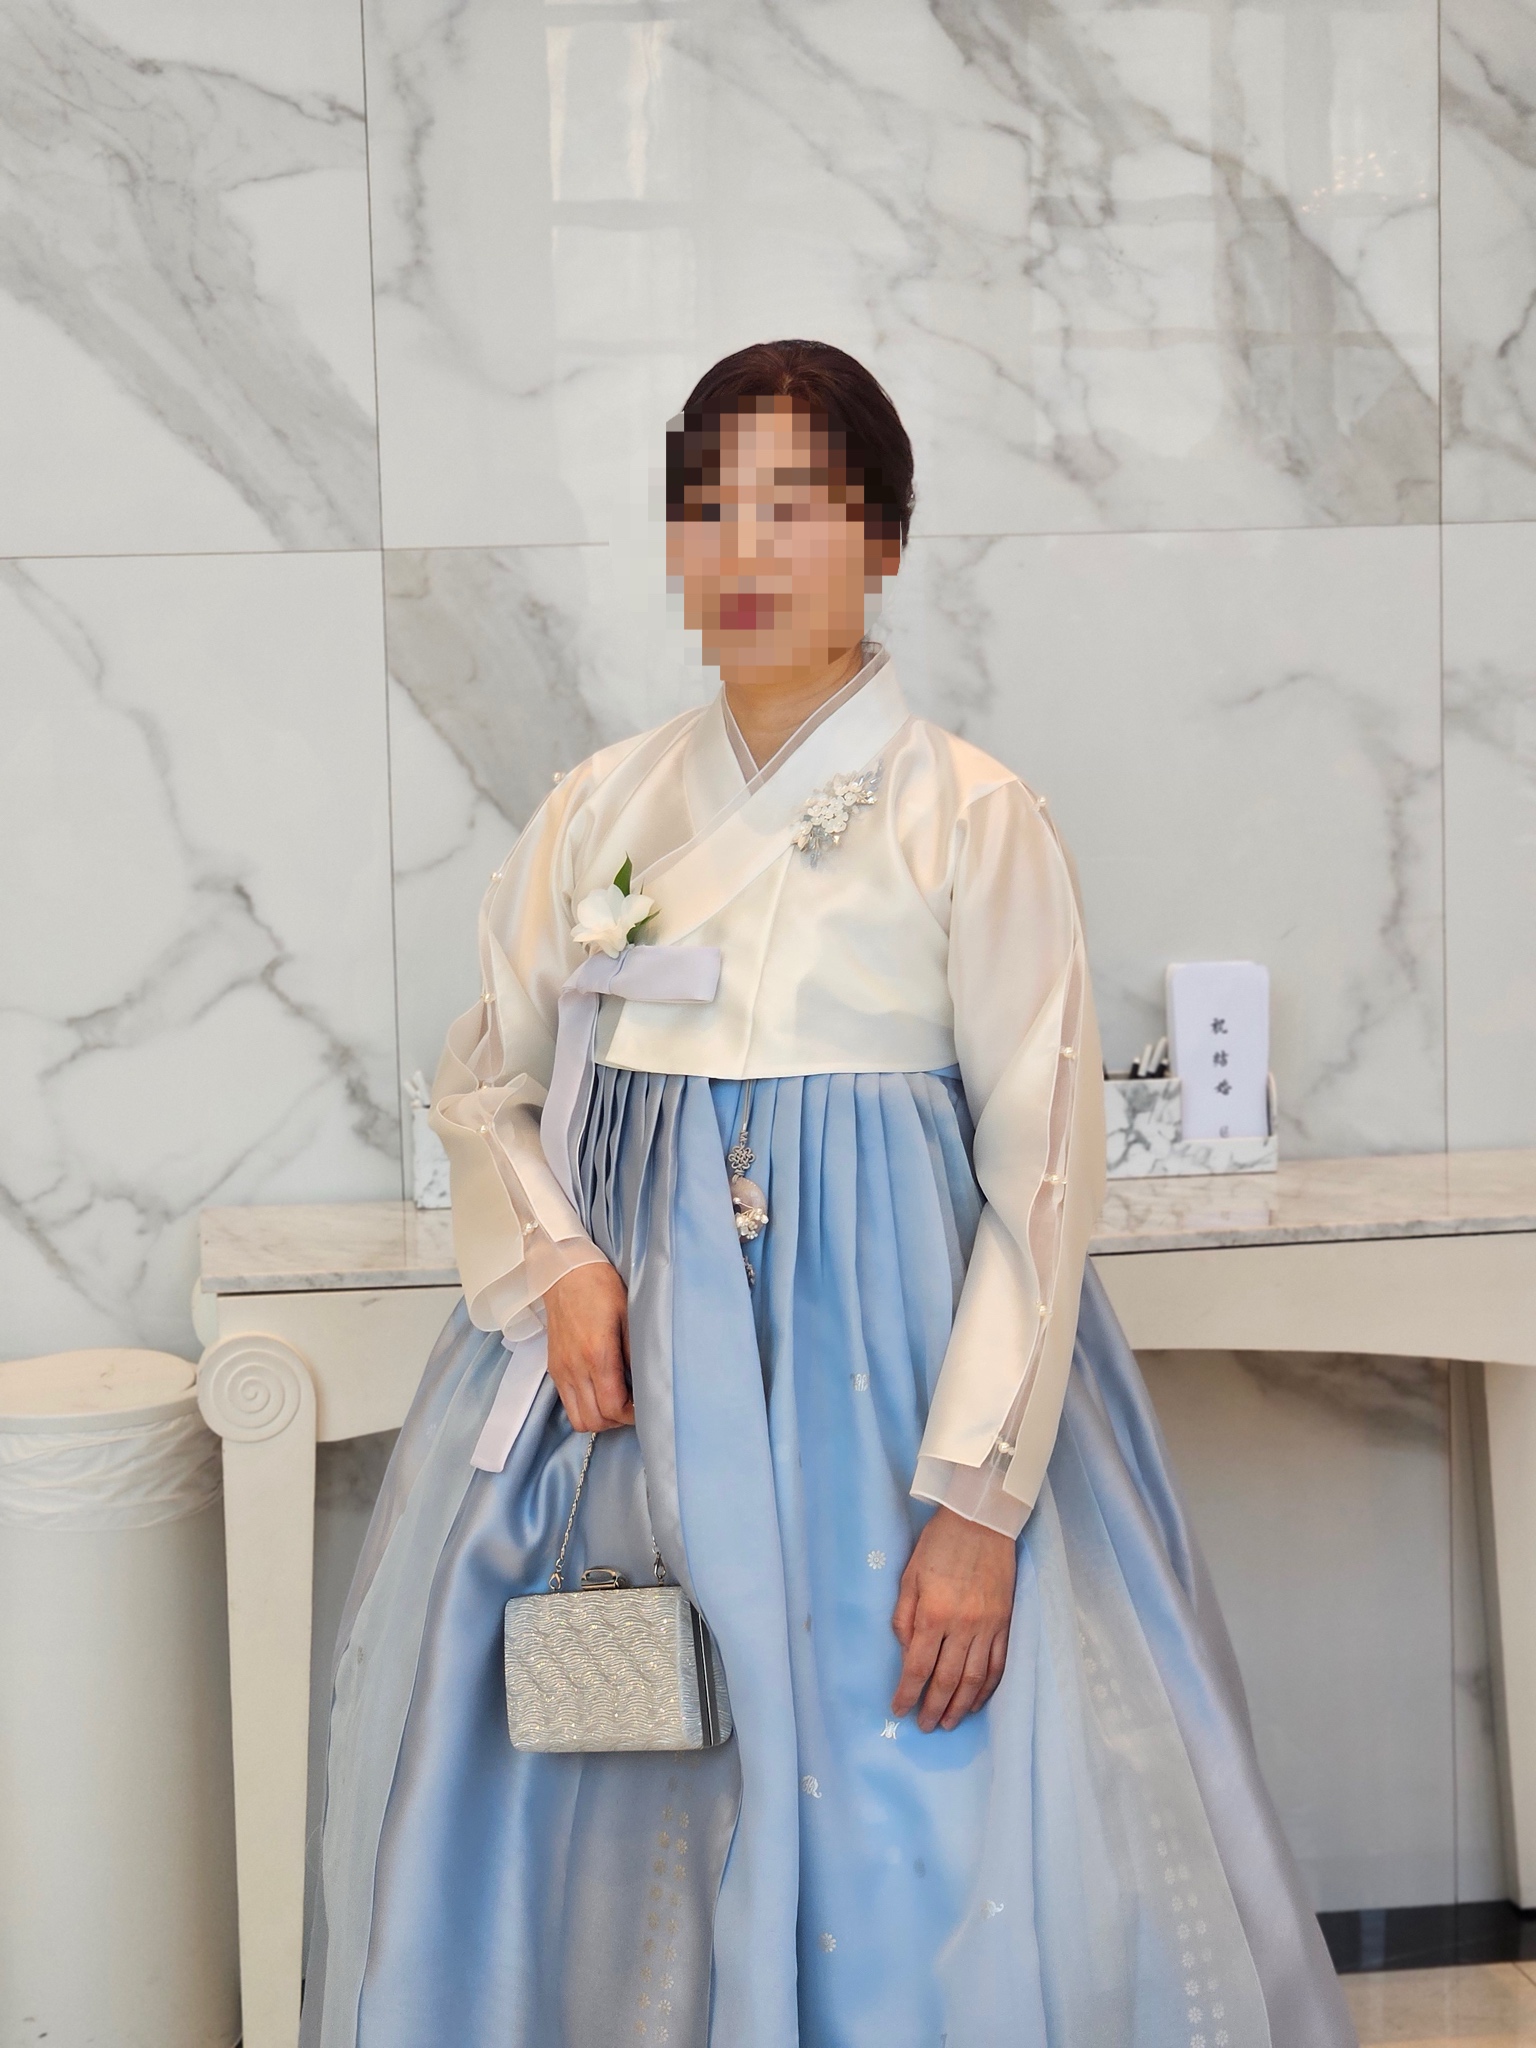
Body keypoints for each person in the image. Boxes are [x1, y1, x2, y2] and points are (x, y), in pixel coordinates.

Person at [300, 340, 1356, 2048]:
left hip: (893, 1401)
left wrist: (979, 1509)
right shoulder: (597, 808)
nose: (746, 549)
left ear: (883, 539)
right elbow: (483, 1083)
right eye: (709, 506)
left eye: (794, 504)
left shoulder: (973, 819)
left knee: (918, 1819)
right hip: (629, 1406)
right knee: (613, 1787)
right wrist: (559, 1262)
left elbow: (1043, 1180)